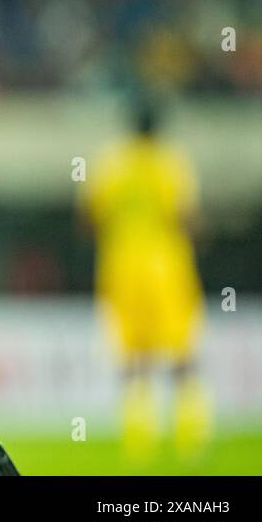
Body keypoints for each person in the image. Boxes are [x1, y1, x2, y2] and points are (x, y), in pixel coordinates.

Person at [80, 98, 211, 462]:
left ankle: (138, 437)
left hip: (121, 266)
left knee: (132, 354)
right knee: (182, 349)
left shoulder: (113, 162)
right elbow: (185, 214)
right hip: (167, 266)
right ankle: (191, 434)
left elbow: (90, 218)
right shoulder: (170, 161)